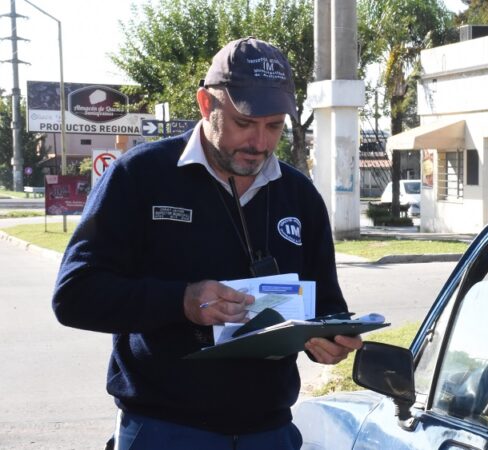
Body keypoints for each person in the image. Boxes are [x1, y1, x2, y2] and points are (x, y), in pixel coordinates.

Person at [52, 37, 361, 449]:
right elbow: (74, 295)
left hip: (269, 431)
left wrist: (332, 340)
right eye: (244, 123)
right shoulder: (139, 176)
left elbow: (327, 305)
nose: (260, 143)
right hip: (164, 430)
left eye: (274, 126)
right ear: (205, 104)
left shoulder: (299, 195)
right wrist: (182, 301)